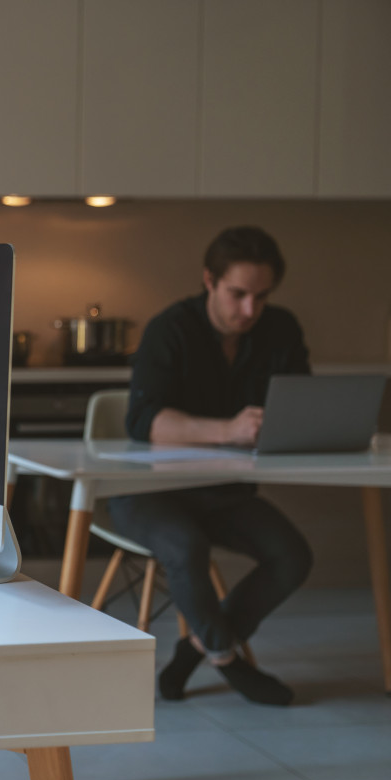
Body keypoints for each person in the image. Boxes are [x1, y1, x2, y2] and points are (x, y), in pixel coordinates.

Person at [107, 225, 313, 706]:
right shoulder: (170, 329)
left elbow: (300, 405)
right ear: (209, 281)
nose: (250, 310)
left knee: (293, 556)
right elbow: (145, 422)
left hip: (222, 490)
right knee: (186, 546)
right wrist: (229, 429)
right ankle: (226, 658)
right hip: (145, 492)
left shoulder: (281, 329)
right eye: (238, 294)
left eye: (261, 296)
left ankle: (196, 648)